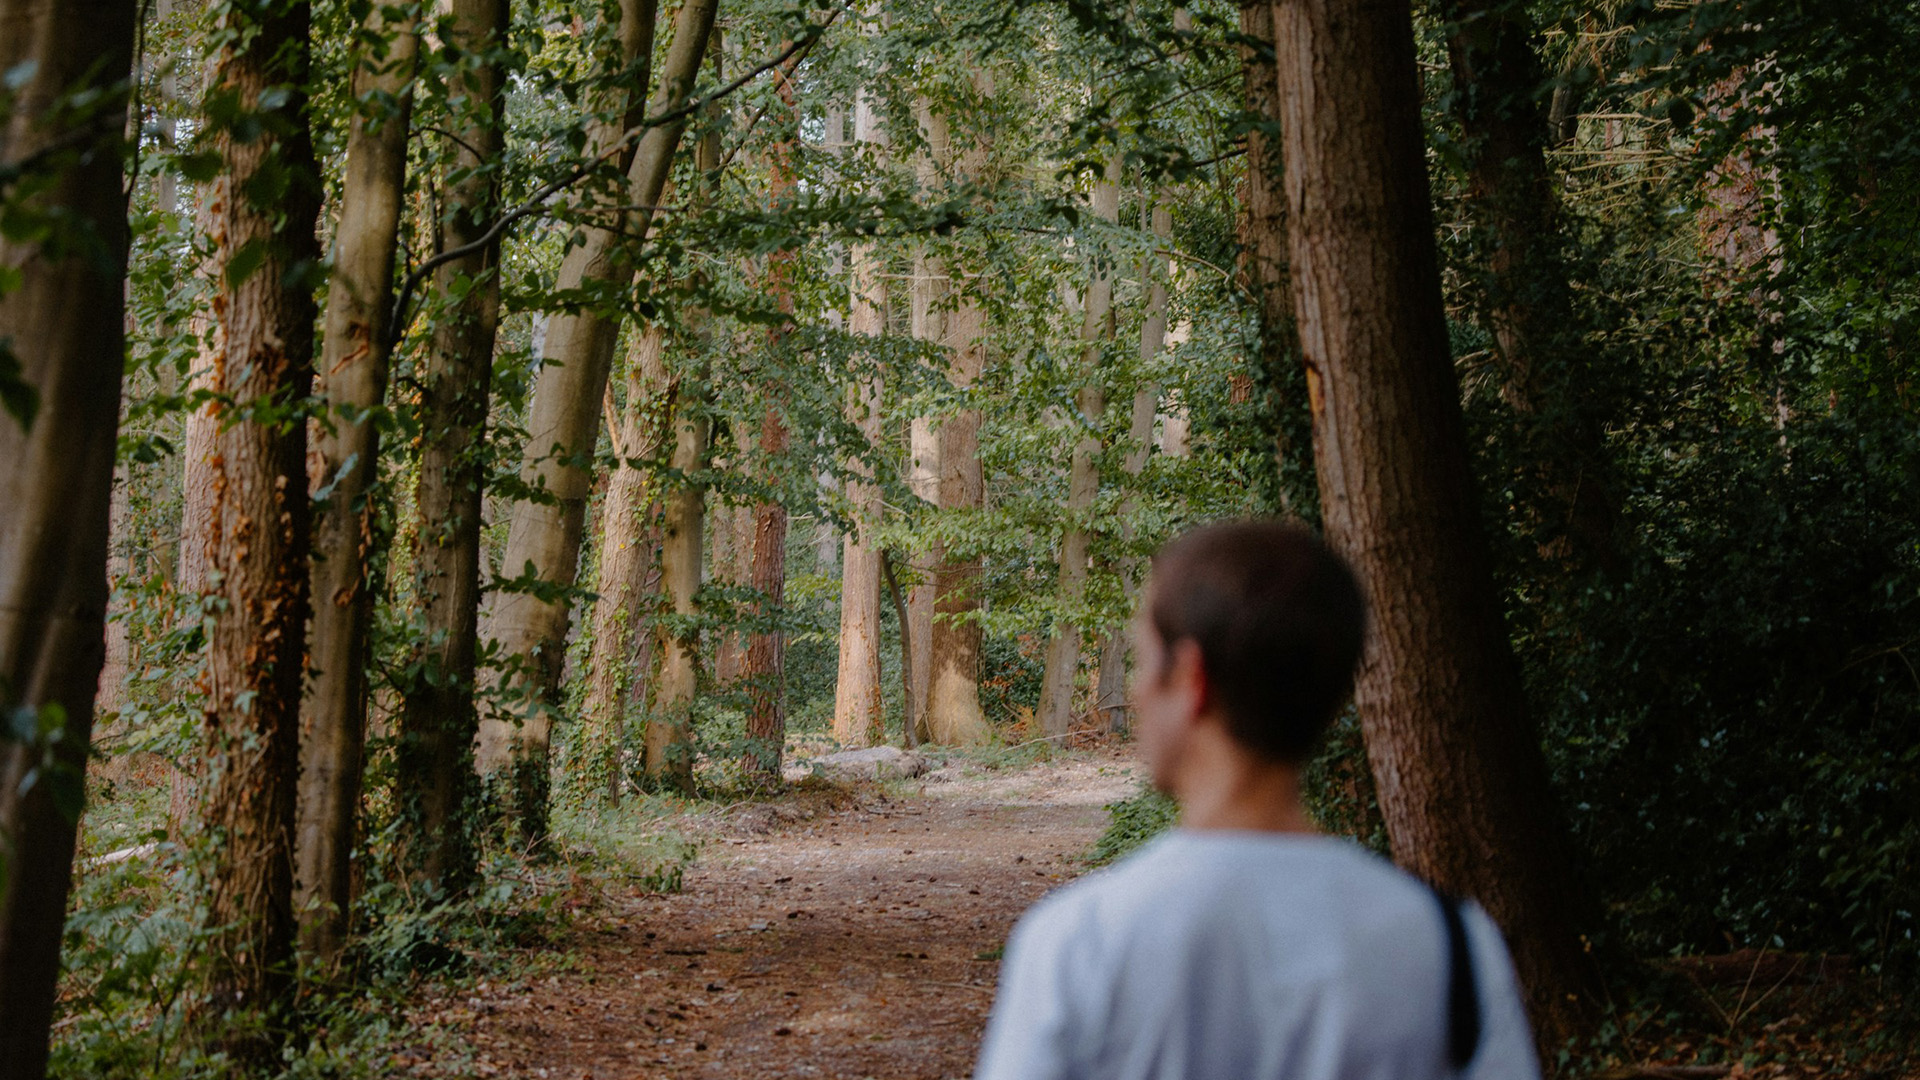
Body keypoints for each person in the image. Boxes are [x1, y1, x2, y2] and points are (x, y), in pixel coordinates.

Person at [974, 520, 1541, 1080]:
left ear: (1192, 679)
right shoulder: (1450, 944)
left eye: (1145, 665)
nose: (1139, 694)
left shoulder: (1079, 943)